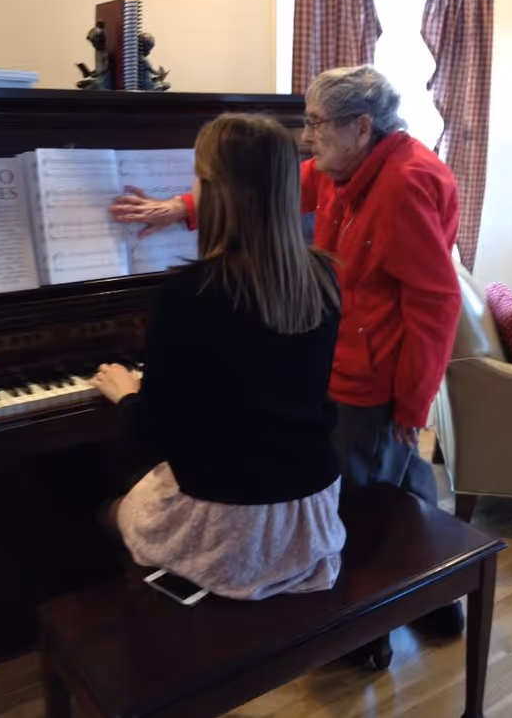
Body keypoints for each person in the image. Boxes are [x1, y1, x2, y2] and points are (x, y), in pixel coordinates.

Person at [110, 66, 462, 636]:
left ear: (361, 126)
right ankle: (425, 591)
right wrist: (183, 208)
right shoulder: (345, 171)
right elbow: (271, 182)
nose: (306, 137)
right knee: (381, 480)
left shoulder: (406, 183)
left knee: (374, 492)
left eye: (317, 124)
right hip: (331, 357)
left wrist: (413, 403)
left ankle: (374, 621)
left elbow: (436, 299)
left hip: (374, 373)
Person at [93, 113, 345, 600]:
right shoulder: (320, 276)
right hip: (310, 507)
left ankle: (149, 628)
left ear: (214, 190)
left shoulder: (190, 294)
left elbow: (152, 434)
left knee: (109, 503)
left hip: (234, 526)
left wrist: (126, 394)